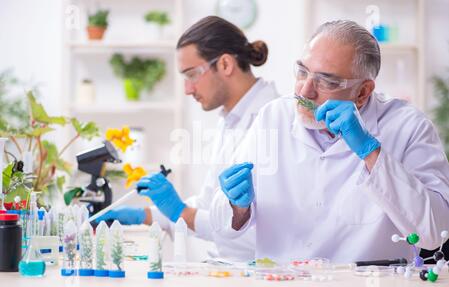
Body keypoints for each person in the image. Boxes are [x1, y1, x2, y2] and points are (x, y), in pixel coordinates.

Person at [211, 20, 449, 264]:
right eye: (302, 72)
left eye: (326, 81)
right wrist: (237, 206)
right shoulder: (273, 117)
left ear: (363, 92)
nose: (305, 91)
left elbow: (434, 233)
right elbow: (223, 225)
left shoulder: (408, 126)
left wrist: (371, 153)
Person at [97, 16, 279, 261]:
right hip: (230, 266)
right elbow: (209, 203)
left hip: (258, 273)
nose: (187, 89)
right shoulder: (231, 118)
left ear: (225, 64)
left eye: (192, 74)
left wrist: (179, 210)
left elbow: (256, 227)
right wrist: (147, 215)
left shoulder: (272, 120)